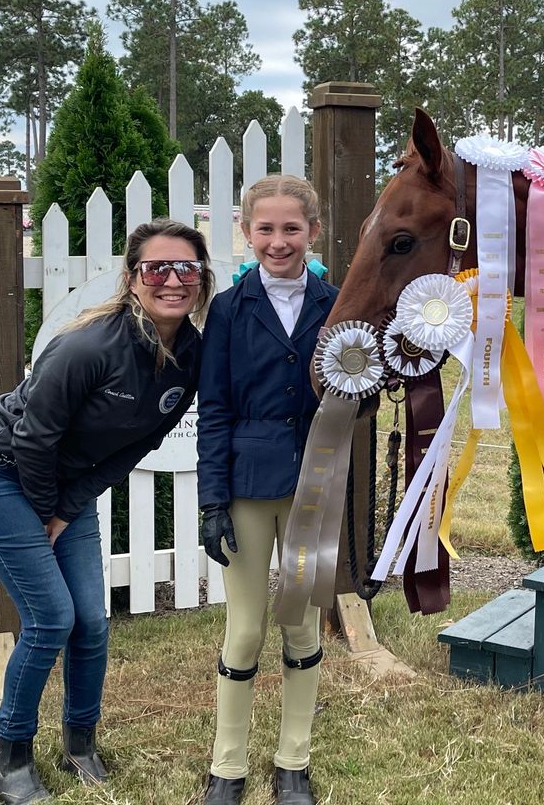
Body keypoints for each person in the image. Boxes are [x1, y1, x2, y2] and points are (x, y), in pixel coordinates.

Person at [0, 218, 213, 804]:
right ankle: (12, 758)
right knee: (51, 619)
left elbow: (137, 444)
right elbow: (33, 440)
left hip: (61, 490)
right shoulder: (87, 347)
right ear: (132, 278)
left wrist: (65, 509)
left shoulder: (190, 356)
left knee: (91, 622)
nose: (172, 279)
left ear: (201, 279)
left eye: (186, 268)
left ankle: (80, 743)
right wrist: (47, 510)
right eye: (157, 268)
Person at [197, 175, 336, 805]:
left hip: (313, 487)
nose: (278, 242)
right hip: (248, 486)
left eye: (291, 229)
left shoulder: (337, 305)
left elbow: (350, 398)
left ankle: (292, 763)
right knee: (247, 629)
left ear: (313, 231)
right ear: (246, 232)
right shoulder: (228, 309)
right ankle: (227, 766)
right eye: (265, 229)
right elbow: (216, 409)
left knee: (302, 626)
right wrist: (211, 498)